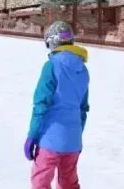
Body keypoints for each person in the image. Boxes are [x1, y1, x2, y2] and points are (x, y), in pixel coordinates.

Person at [24, 21, 89, 189]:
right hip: (73, 140)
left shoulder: (51, 66)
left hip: (49, 139)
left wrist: (32, 136)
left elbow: (40, 104)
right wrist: (75, 135)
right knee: (69, 183)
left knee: (41, 182)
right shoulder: (83, 69)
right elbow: (82, 109)